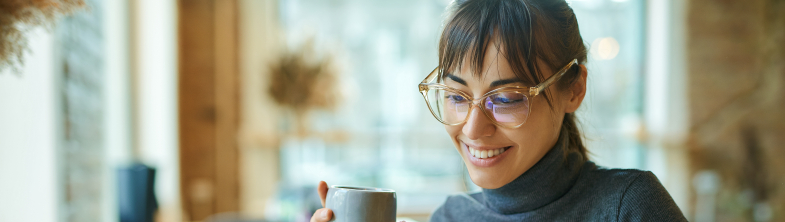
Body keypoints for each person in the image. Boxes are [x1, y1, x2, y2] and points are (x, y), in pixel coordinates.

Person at [311, 0, 687, 221]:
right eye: (456, 97)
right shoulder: (450, 218)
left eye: (506, 99)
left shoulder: (630, 207)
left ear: (575, 88)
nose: (473, 129)